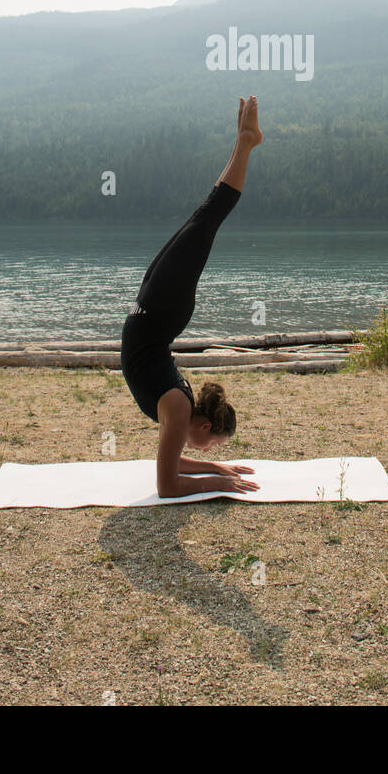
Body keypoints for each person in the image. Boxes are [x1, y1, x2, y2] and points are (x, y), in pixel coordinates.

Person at [120, 96, 263, 498]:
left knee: (205, 218)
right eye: (215, 444)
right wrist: (220, 480)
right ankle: (246, 142)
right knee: (207, 218)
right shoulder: (180, 409)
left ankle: (245, 141)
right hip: (157, 310)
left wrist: (216, 466)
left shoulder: (180, 412)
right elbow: (168, 485)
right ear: (204, 427)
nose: (212, 449)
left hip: (155, 310)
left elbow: (168, 469)